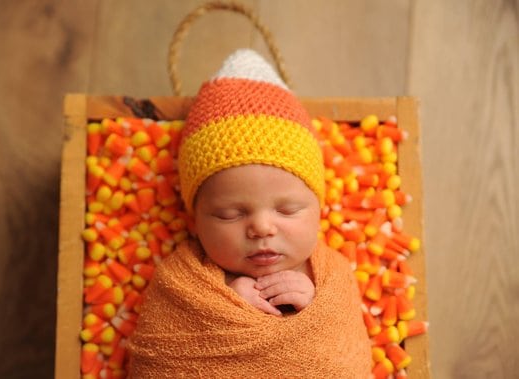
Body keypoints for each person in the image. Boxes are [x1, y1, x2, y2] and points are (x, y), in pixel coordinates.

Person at [128, 49, 372, 378]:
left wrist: (312, 303)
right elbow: (162, 355)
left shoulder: (331, 277)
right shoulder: (180, 283)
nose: (261, 227)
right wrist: (225, 300)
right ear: (194, 222)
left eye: (287, 210)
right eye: (230, 214)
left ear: (318, 209)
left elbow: (343, 354)